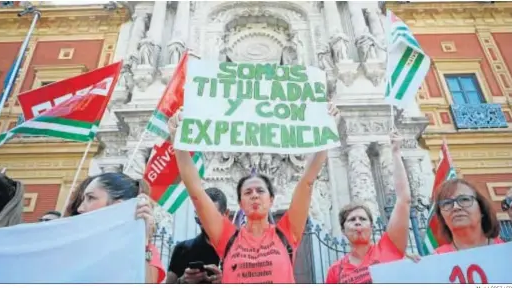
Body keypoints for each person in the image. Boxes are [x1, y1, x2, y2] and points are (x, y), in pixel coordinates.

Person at [168, 103, 341, 284]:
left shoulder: (287, 233)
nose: (255, 195)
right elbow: (195, 190)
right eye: (248, 192)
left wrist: (328, 132)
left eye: (260, 190)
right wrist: (177, 141)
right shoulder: (226, 236)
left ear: (271, 200)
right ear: (241, 203)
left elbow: (307, 182)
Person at [326, 131, 412, 284]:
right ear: (343, 229)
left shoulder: (389, 247)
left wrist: (396, 153)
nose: (358, 222)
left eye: (362, 219)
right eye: (352, 220)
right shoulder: (335, 271)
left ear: (371, 226)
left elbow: (403, 200)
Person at [76, 172, 166, 283]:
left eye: (90, 198)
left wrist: (144, 241)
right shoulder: (78, 243)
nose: (80, 208)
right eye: (83, 199)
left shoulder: (145, 249)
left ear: (117, 206)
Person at [166, 187, 228, 284]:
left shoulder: (239, 251)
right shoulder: (182, 249)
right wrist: (182, 281)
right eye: (201, 216)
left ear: (226, 214)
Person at [433, 179, 503, 254]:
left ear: (482, 209)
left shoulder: (506, 250)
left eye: (464, 199)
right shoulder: (436, 259)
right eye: (447, 203)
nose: (456, 207)